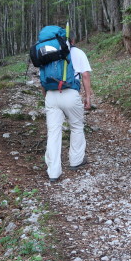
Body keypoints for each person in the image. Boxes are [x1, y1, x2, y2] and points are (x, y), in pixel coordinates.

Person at [42, 29, 93, 183]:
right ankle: (76, 160)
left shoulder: (47, 53)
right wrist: (88, 96)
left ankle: (53, 172)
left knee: (53, 132)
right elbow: (85, 75)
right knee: (76, 126)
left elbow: (42, 77)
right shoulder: (77, 52)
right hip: (70, 92)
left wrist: (47, 96)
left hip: (51, 94)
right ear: (72, 41)